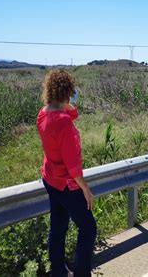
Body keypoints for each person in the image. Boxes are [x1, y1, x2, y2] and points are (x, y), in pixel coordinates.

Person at [37, 70, 97, 276]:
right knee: (88, 227)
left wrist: (64, 102)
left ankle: (58, 271)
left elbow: (73, 113)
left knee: (58, 226)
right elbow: (73, 168)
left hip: (50, 179)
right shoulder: (63, 123)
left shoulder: (44, 113)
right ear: (67, 92)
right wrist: (86, 189)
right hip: (66, 184)